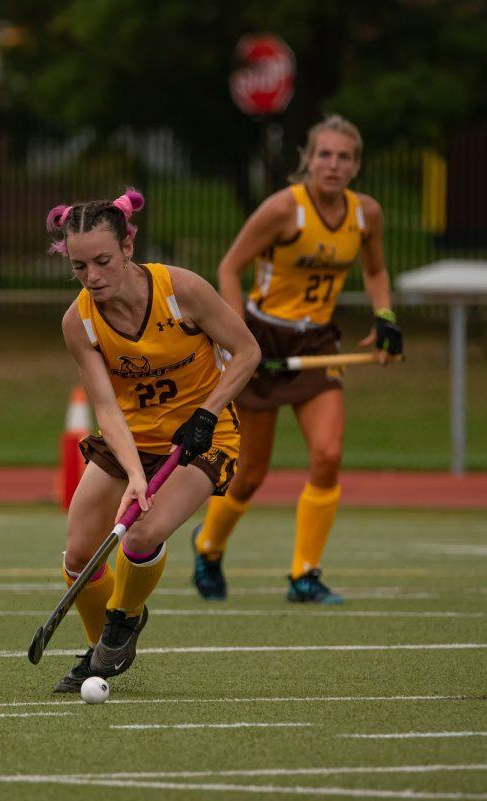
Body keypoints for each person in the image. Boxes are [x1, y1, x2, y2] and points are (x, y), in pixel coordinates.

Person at [48, 188, 259, 693]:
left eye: (102, 260)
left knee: (140, 537)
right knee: (80, 556)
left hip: (201, 437)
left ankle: (122, 622)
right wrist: (136, 473)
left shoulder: (182, 290)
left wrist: (207, 413)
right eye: (80, 267)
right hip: (130, 440)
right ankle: (105, 649)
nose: (93, 277)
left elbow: (248, 351)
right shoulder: (79, 322)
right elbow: (104, 406)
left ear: (128, 246)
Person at [190, 114, 402, 605]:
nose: (333, 164)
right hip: (262, 339)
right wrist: (238, 339)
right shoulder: (283, 209)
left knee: (327, 455)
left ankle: (304, 574)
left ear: (356, 165)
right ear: (308, 161)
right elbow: (229, 266)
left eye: (344, 156)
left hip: (316, 344)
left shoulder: (366, 214)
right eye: (324, 155)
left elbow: (375, 271)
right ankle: (208, 545)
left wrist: (385, 315)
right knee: (249, 473)